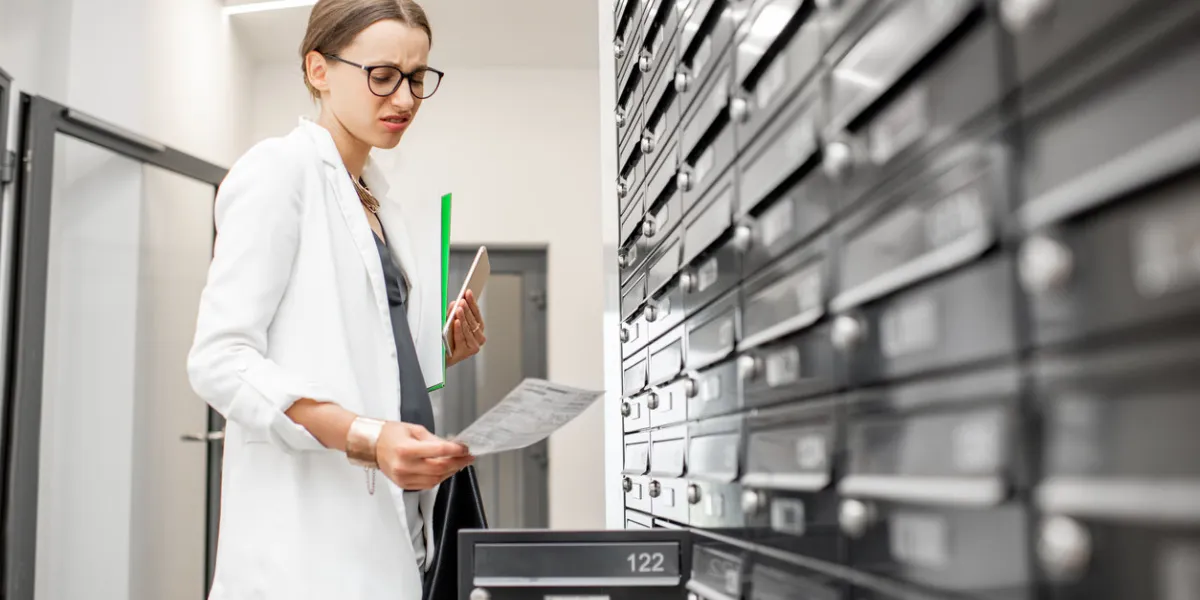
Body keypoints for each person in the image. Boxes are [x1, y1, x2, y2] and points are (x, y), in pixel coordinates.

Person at [186, 1, 485, 598]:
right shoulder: (279, 172)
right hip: (304, 551)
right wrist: (367, 438)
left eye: (418, 78)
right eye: (382, 76)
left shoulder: (381, 202)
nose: (403, 99)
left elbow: (359, 354)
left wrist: (438, 353)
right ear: (318, 69)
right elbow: (219, 362)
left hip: (395, 529)